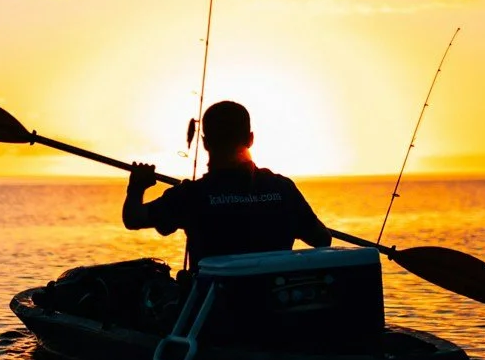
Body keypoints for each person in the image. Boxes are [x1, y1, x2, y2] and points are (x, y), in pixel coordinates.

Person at [123, 100, 332, 260]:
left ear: (205, 143)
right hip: (273, 310)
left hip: (213, 312)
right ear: (250, 139)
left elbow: (133, 218)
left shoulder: (190, 196)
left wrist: (137, 187)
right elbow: (322, 238)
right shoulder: (283, 189)